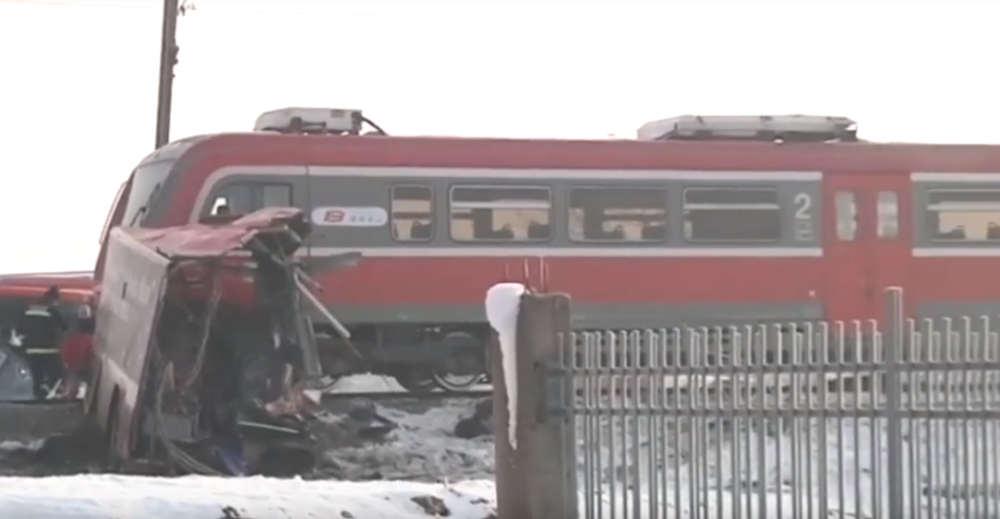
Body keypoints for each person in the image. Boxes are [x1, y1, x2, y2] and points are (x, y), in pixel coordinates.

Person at [15, 286, 68, 398]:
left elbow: (19, 330)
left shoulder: (28, 312)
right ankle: (46, 390)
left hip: (31, 350)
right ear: (53, 299)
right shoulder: (51, 311)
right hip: (49, 349)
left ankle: (37, 394)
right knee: (58, 373)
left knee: (36, 374)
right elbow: (63, 327)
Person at [60, 305, 95, 399]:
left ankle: (71, 393)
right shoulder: (86, 337)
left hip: (76, 359)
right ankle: (74, 393)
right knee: (77, 376)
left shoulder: (73, 335)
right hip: (80, 357)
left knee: (74, 376)